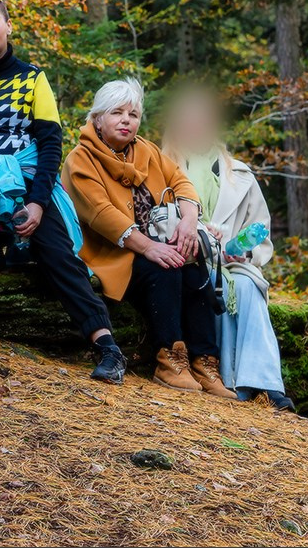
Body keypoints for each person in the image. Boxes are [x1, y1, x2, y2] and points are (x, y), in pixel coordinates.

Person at [0, 0, 127, 384]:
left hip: (24, 185)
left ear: (6, 25)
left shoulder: (32, 77)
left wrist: (38, 204)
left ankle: (107, 346)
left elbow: (51, 144)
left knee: (56, 250)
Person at [61, 77, 236, 398]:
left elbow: (180, 181)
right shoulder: (80, 160)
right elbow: (101, 215)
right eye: (117, 113)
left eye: (133, 114)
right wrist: (151, 248)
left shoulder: (146, 150)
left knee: (192, 262)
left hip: (156, 241)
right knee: (165, 267)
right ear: (97, 118)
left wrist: (189, 220)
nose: (126, 121)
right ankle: (169, 359)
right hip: (114, 254)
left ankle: (203, 361)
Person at [162, 85, 295, 410]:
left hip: (233, 262)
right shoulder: (162, 167)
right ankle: (226, 378)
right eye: (188, 122)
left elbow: (260, 232)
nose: (196, 127)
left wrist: (243, 250)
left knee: (248, 286)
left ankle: (265, 384)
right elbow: (154, 218)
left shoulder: (239, 173)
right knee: (210, 286)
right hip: (188, 259)